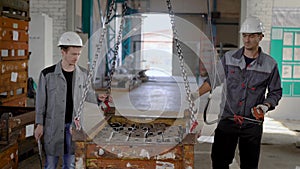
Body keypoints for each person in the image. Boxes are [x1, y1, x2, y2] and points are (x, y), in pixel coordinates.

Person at [192, 16, 282, 169]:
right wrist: (193, 96)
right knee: (219, 161)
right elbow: (213, 80)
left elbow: (275, 92)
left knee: (249, 164)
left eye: (252, 36)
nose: (247, 40)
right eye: (245, 36)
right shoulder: (229, 59)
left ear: (260, 37)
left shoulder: (270, 65)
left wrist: (265, 106)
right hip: (228, 119)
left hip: (252, 123)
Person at [34, 31, 110, 169]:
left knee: (70, 163)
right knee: (50, 164)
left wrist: (99, 99)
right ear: (63, 52)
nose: (76, 57)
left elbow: (89, 99)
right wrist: (39, 124)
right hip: (53, 126)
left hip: (74, 128)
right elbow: (41, 102)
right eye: (73, 54)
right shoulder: (47, 75)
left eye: (78, 54)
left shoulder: (84, 75)